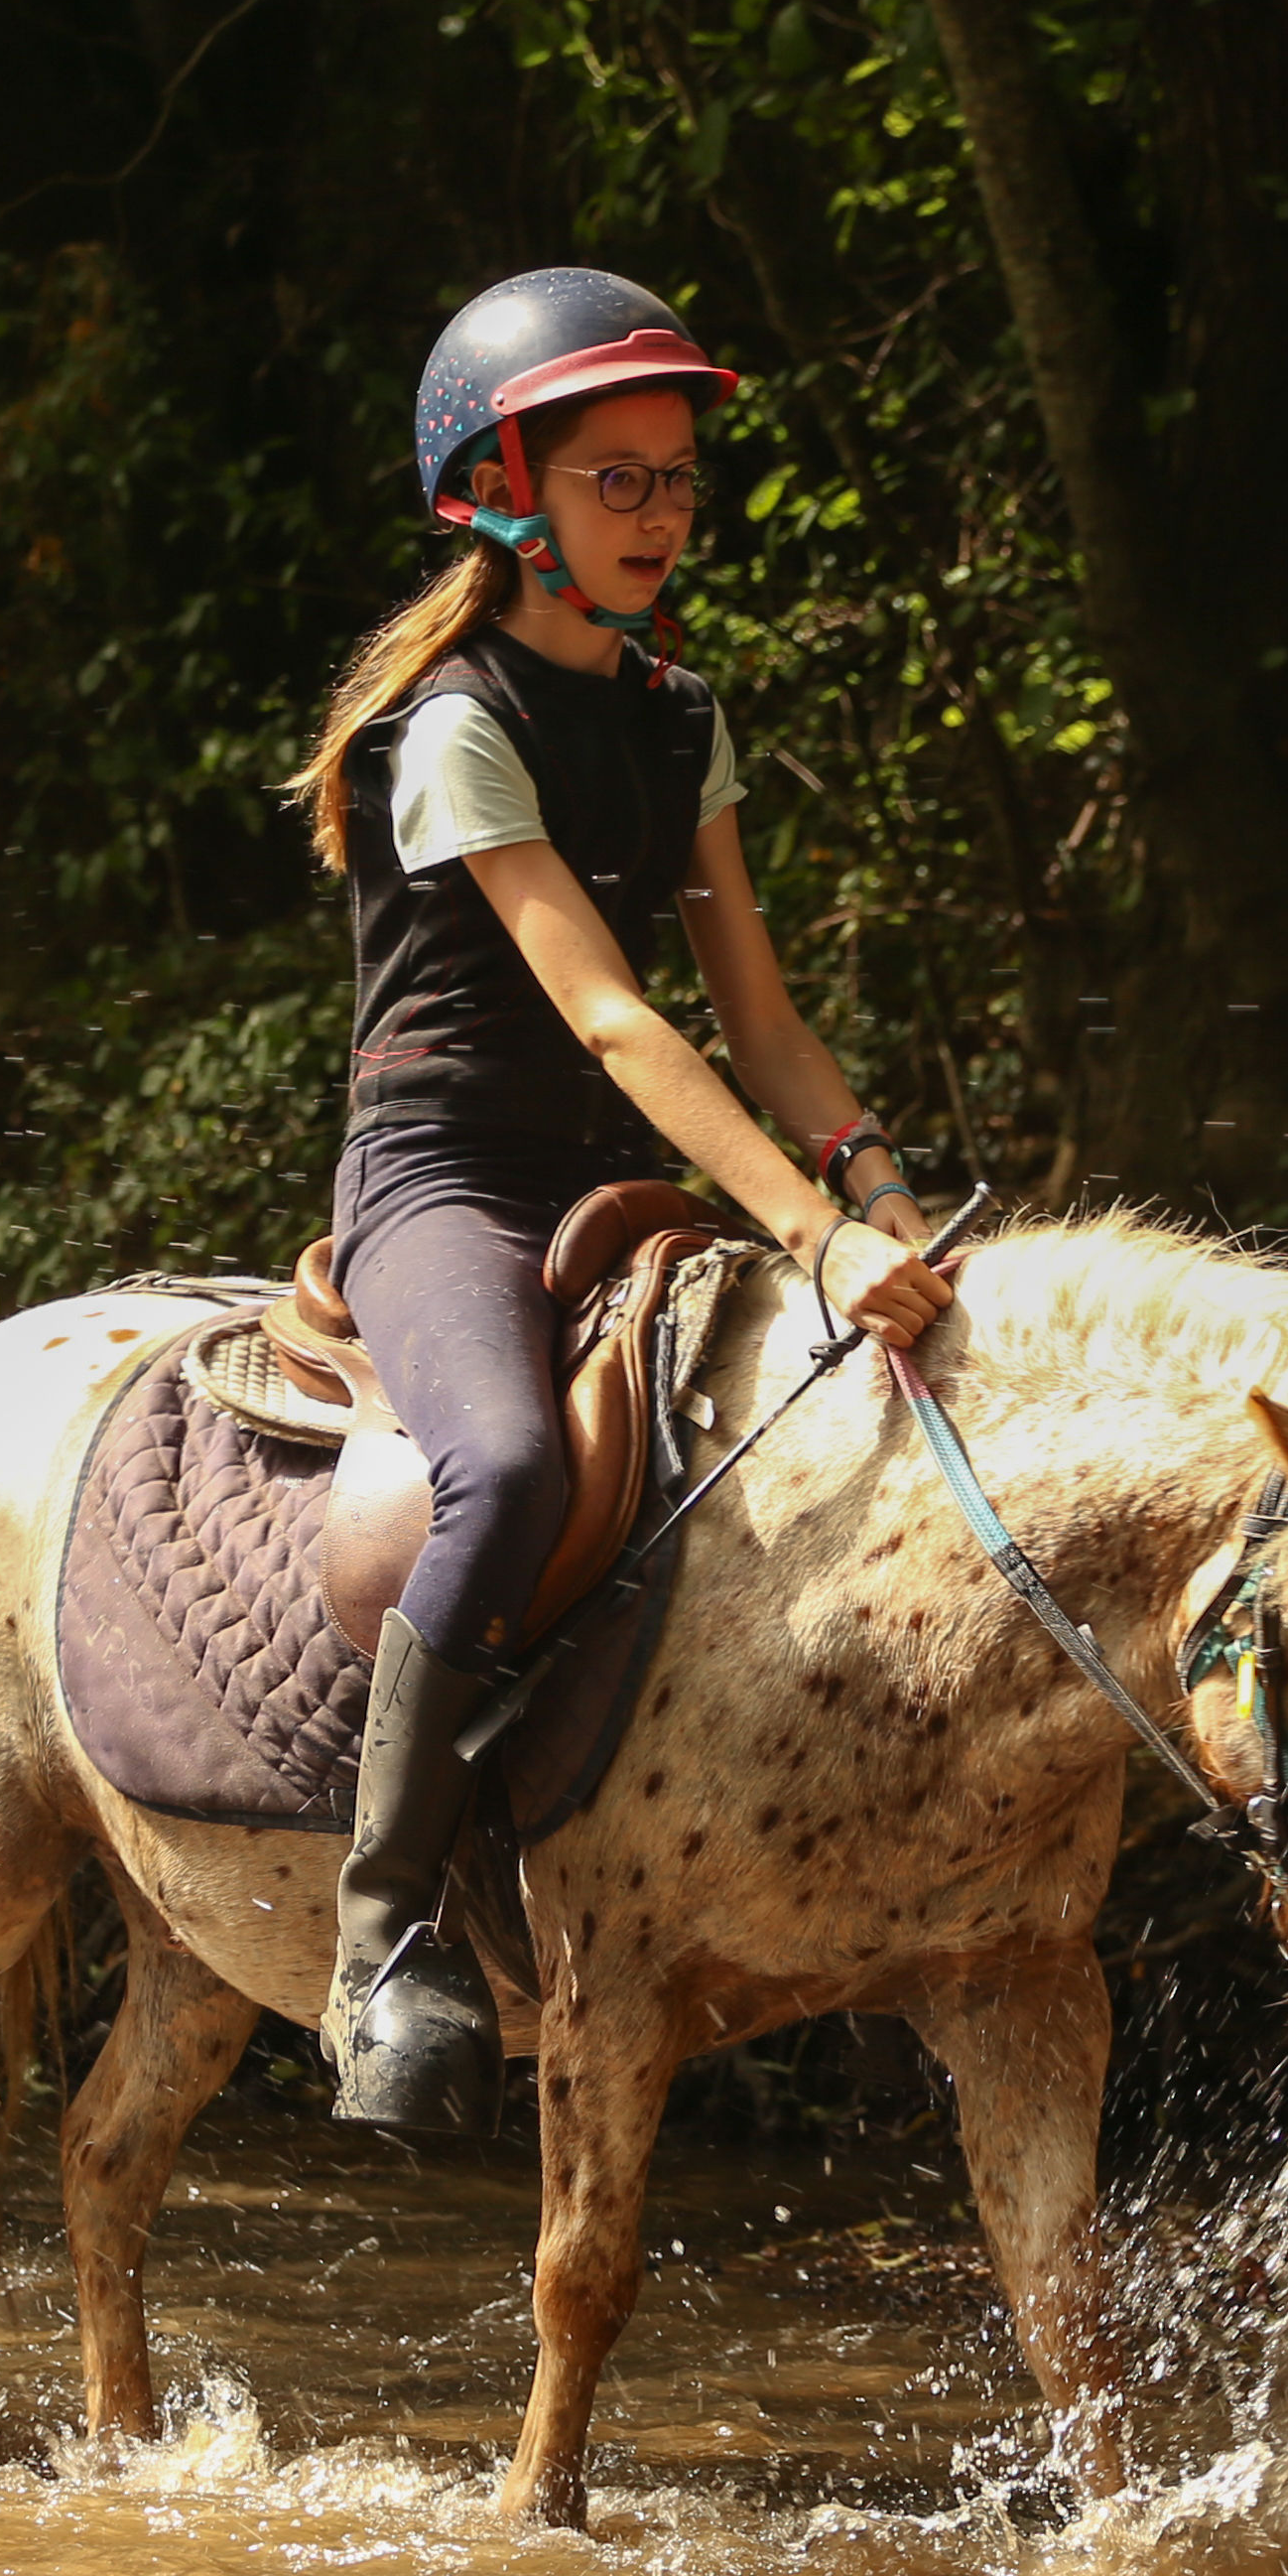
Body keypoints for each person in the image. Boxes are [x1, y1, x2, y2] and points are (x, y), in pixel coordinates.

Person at [298, 265, 952, 2129]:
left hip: (621, 1180)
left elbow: (766, 1023)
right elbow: (610, 1013)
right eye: (619, 480)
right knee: (507, 1468)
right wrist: (808, 1235)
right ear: (506, 496)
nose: (663, 514)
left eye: (678, 479)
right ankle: (380, 1935)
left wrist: (878, 1189)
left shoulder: (680, 718)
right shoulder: (455, 724)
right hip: (446, 1177)